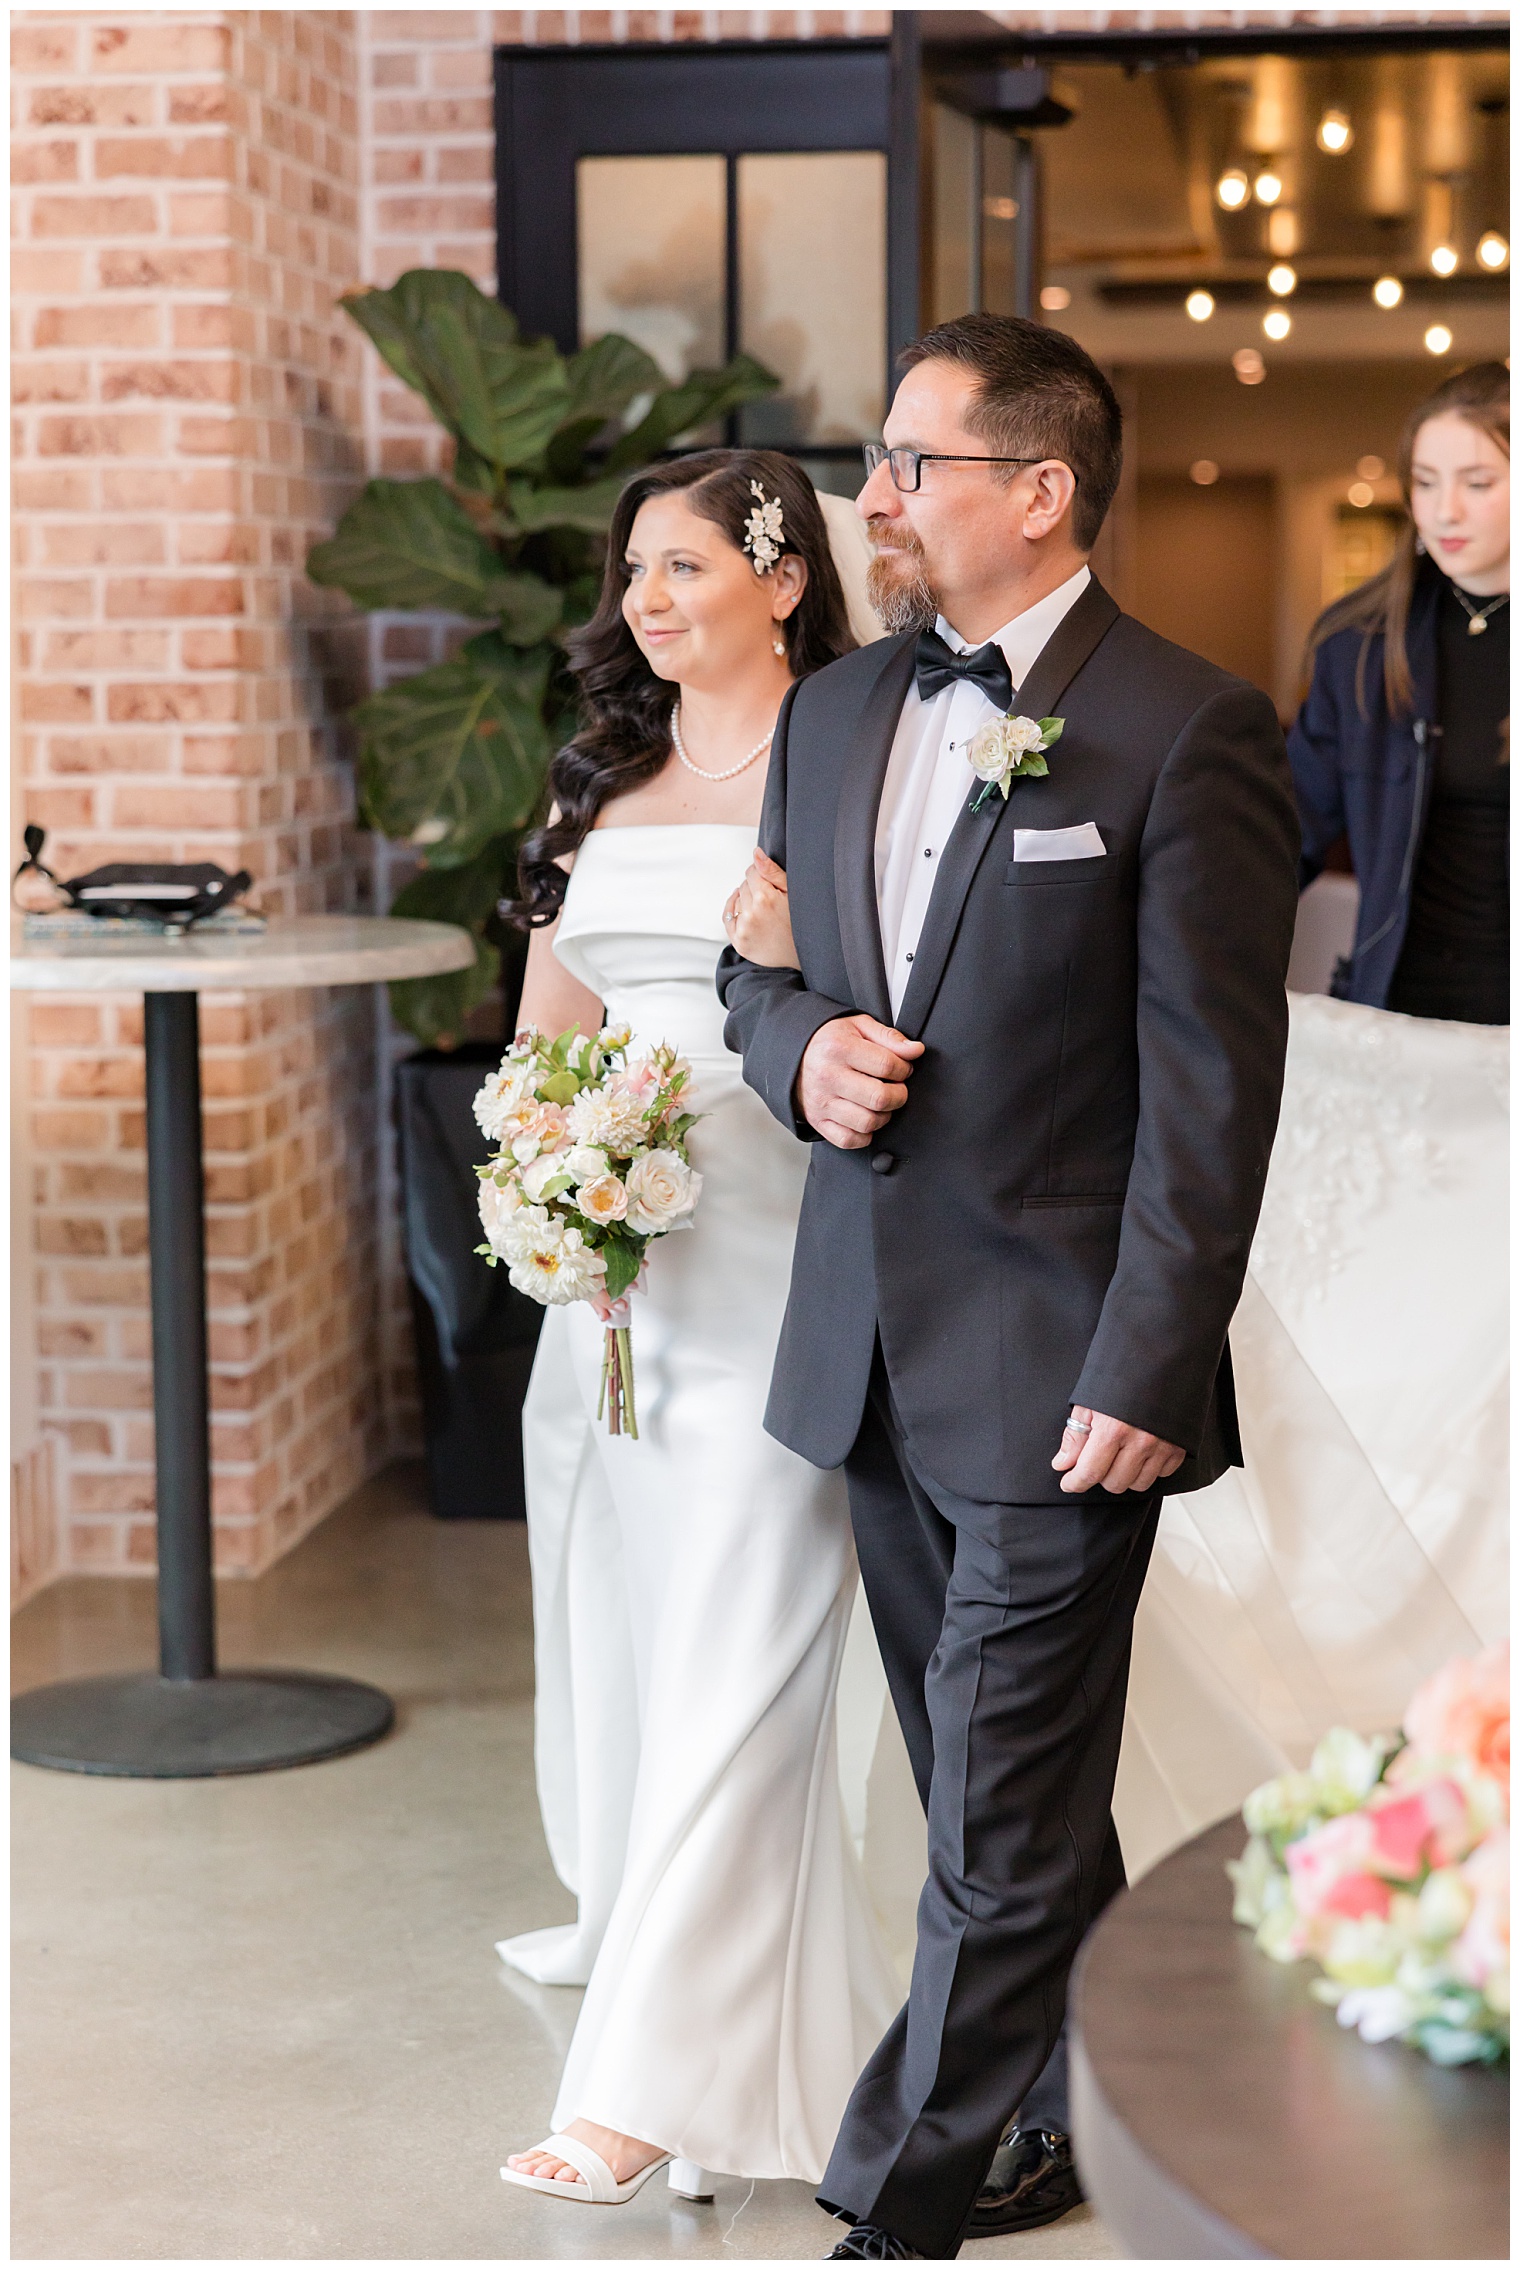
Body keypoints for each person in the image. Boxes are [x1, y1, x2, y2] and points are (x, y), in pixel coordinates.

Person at [718, 313, 1301, 2261]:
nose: (867, 499)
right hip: (871, 1357)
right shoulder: (829, 713)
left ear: (1037, 492)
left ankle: (897, 2212)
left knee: (986, 1818)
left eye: (906, 463)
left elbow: (1214, 1098)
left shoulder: (1183, 730)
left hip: (1064, 1375)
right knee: (1015, 1803)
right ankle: (1065, 2111)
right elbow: (756, 967)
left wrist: (1151, 1360)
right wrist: (795, 1042)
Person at [495, 449, 901, 2210]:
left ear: (783, 578)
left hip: (786, 1271)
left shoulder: (861, 763)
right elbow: (540, 1040)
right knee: (644, 1637)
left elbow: (917, 1006)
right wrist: (544, 1184)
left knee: (751, 1640)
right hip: (615, 1290)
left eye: (682, 569)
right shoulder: (606, 789)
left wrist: (807, 949)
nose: (647, 603)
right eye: (634, 575)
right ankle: (652, 1936)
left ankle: (648, 2089)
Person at [1290, 362, 1509, 1025]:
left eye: (1478, 482)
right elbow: (1282, 833)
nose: (1445, 510)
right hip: (1404, 1017)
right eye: (1424, 482)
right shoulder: (1357, 643)